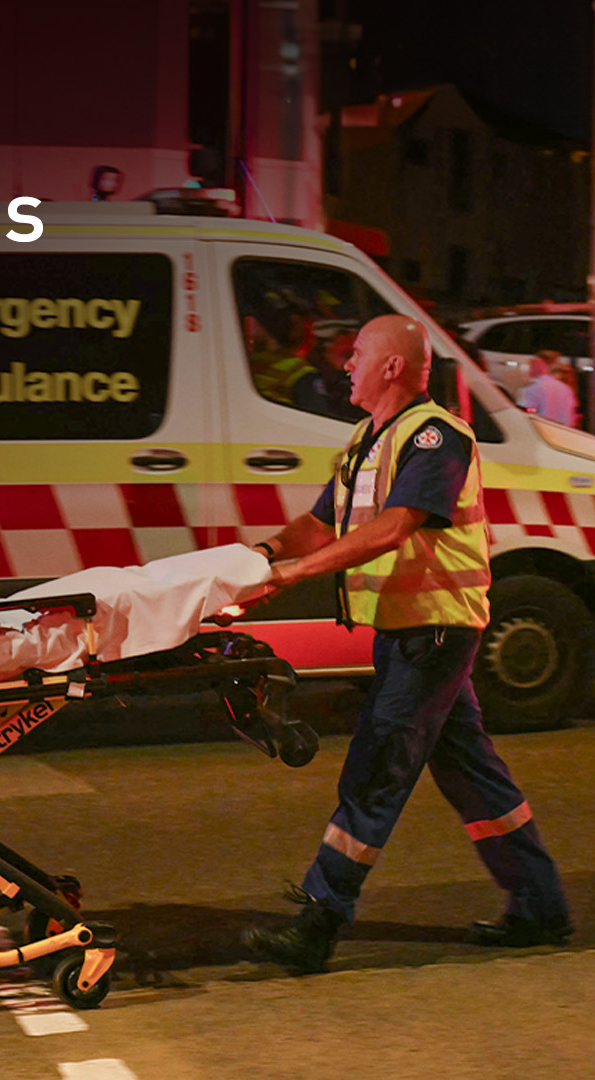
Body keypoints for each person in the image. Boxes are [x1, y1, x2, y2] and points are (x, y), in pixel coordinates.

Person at [238, 314, 573, 974]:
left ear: (393, 366)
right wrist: (264, 556)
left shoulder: (434, 436)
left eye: (357, 354)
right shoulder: (368, 439)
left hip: (435, 629)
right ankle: (539, 905)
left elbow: (394, 528)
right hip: (409, 630)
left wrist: (294, 575)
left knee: (377, 766)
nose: (345, 364)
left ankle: (320, 917)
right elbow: (319, 522)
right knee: (473, 775)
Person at [517, 350, 578, 425]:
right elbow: (572, 415)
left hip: (540, 431)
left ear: (539, 365)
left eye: (533, 364)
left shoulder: (532, 388)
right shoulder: (566, 389)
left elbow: (527, 412)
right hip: (563, 433)